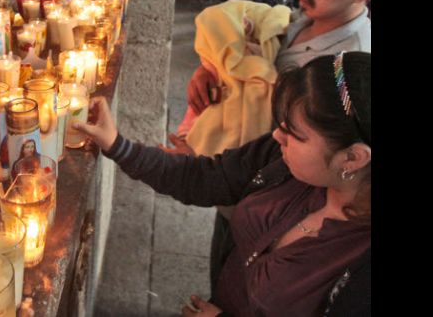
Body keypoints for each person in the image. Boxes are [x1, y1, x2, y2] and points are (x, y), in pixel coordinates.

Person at [74, 51, 371, 316]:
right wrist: (116, 144)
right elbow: (204, 177)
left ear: (354, 158)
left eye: (296, 134)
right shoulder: (281, 161)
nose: (278, 137)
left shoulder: (360, 262)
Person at [173, 0, 371, 291]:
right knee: (221, 275)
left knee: (244, 291)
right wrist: (210, 69)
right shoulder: (300, 23)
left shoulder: (351, 67)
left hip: (276, 214)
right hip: (239, 193)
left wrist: (206, 166)